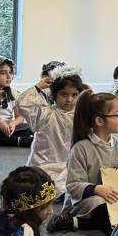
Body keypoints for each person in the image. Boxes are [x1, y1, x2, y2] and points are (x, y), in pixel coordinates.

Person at [50, 89, 118, 234]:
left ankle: (81, 223)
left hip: (114, 196)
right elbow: (73, 185)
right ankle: (75, 221)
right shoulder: (81, 148)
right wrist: (96, 189)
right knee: (100, 203)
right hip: (87, 201)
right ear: (99, 121)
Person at [17, 63, 85, 196]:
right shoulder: (45, 114)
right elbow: (22, 104)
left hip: (69, 167)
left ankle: (63, 191)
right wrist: (38, 87)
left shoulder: (81, 116)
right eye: (64, 94)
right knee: (34, 186)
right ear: (54, 94)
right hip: (44, 166)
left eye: (74, 95)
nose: (69, 99)